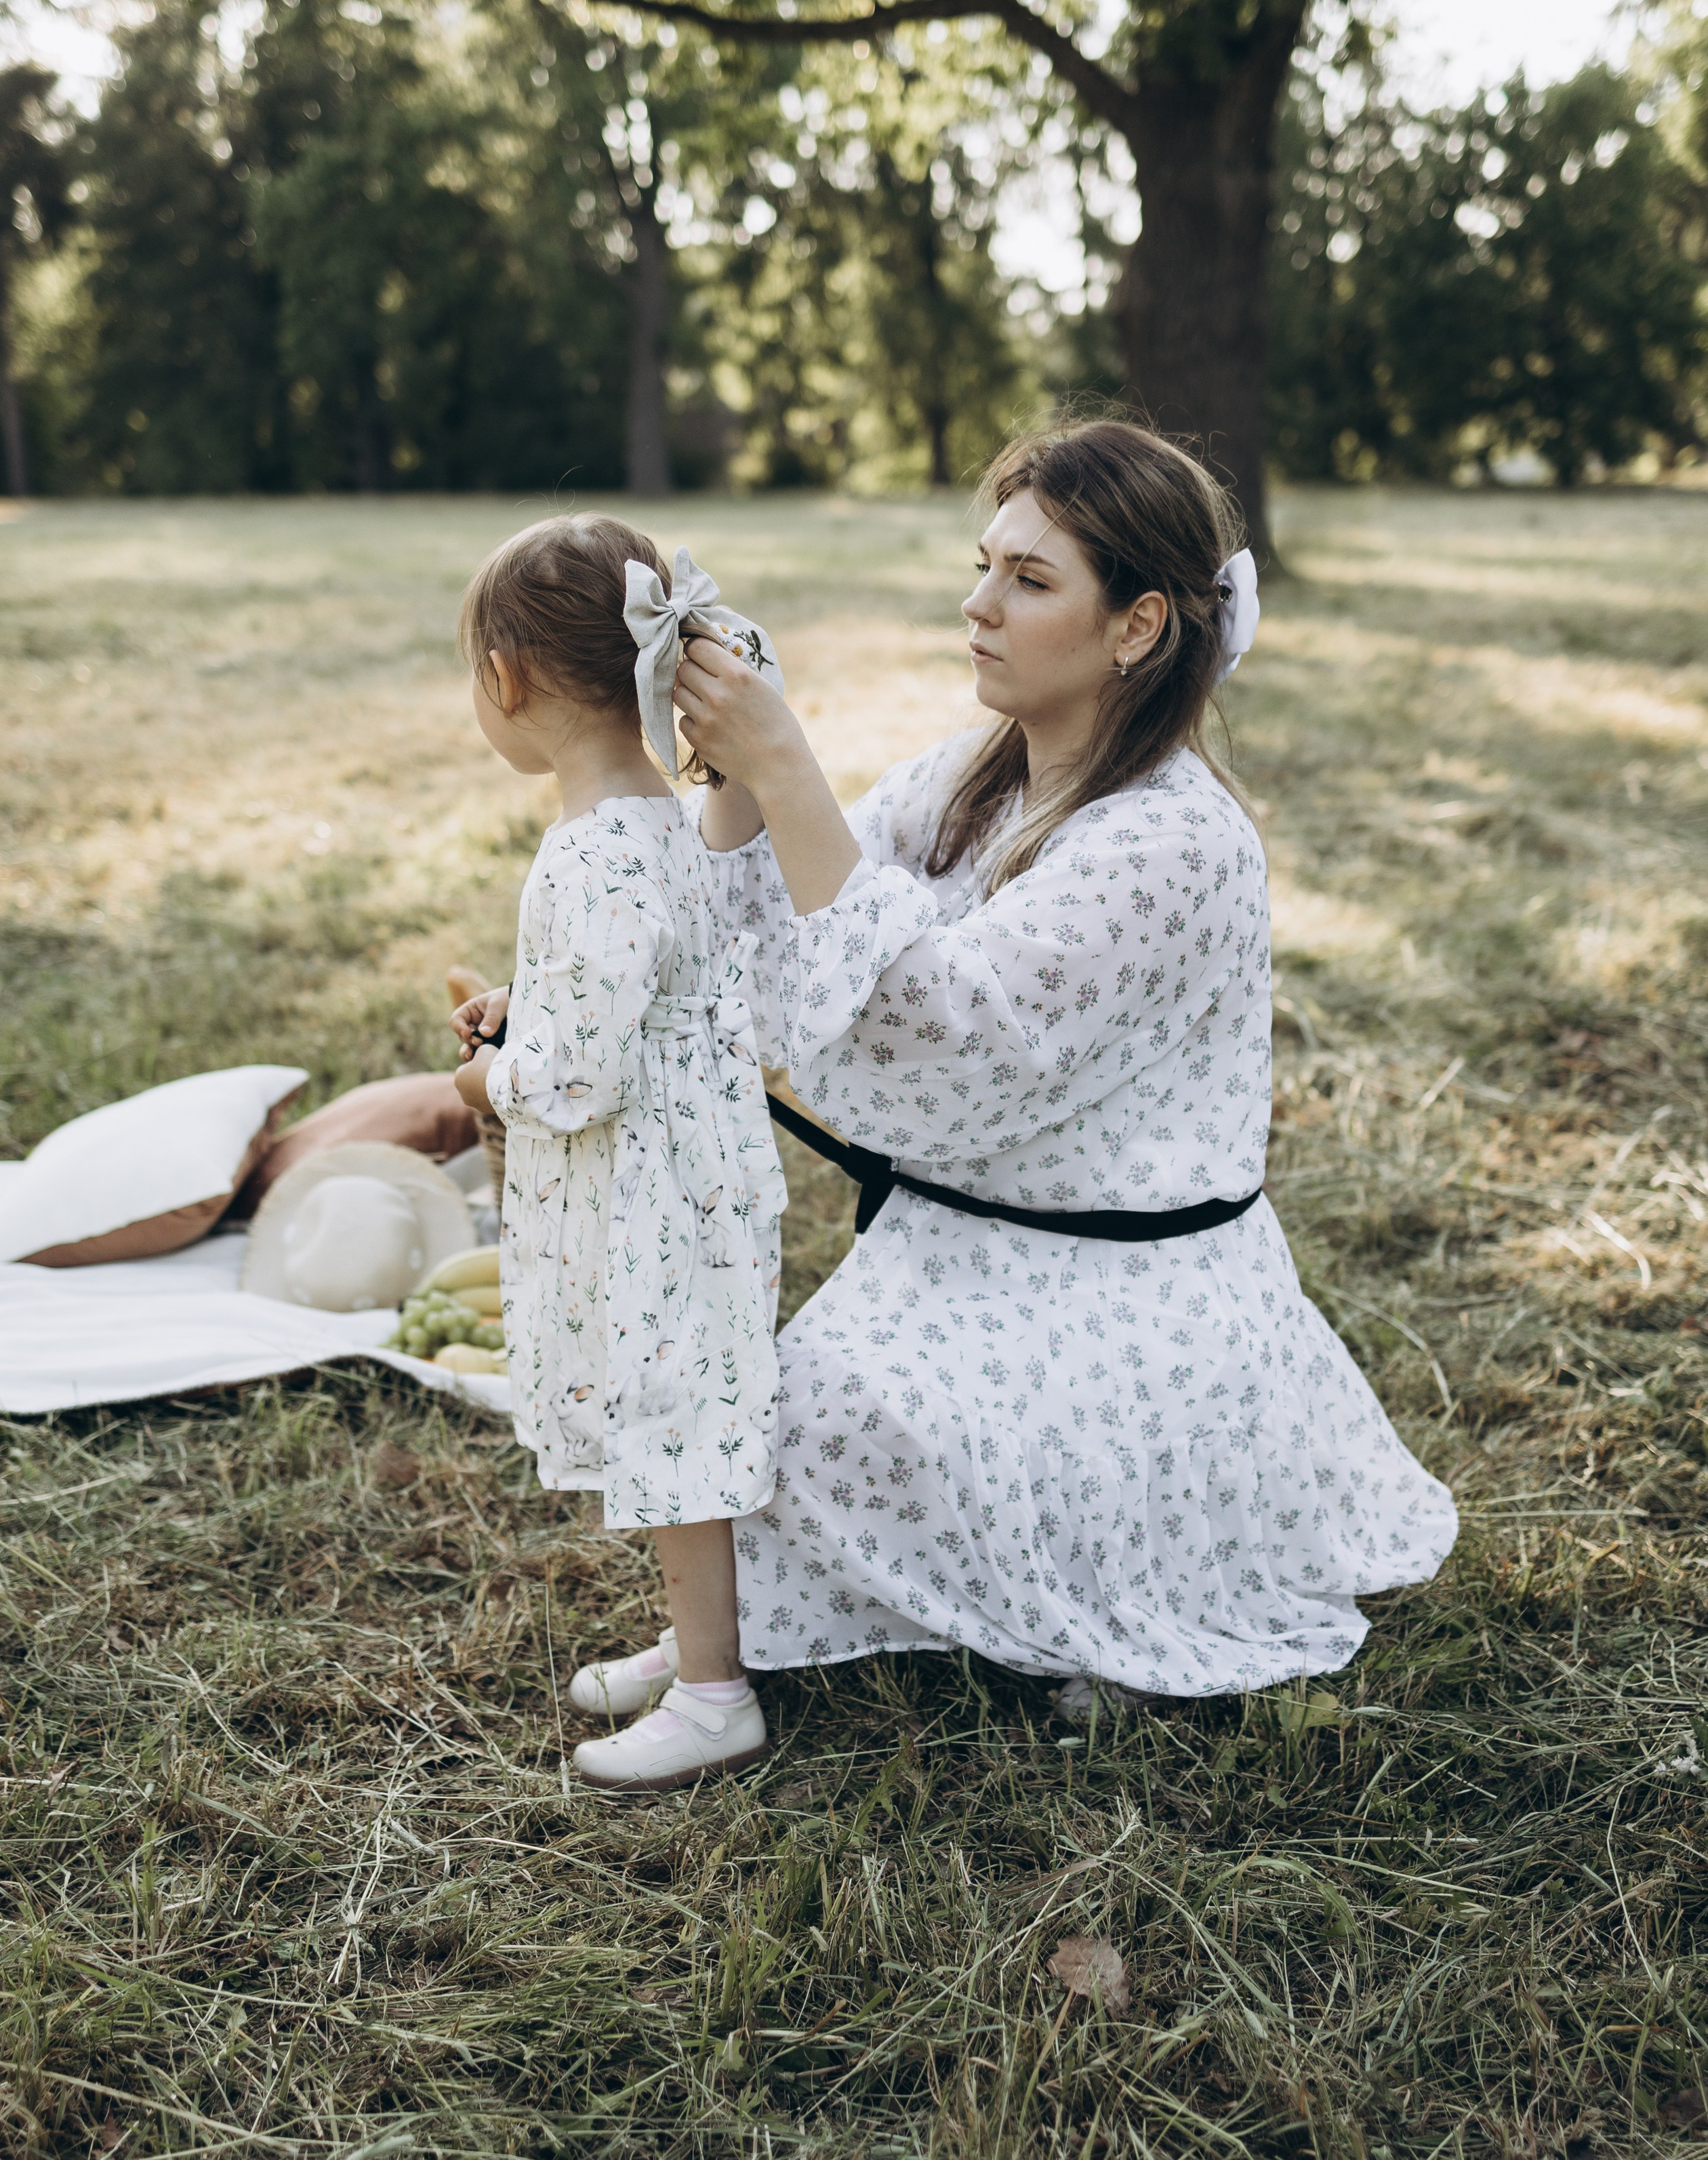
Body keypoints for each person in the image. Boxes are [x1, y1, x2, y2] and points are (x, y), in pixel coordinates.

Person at [650, 413, 1459, 1709]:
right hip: (963, 1254)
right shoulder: (978, 775)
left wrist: (787, 760)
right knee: (763, 1420)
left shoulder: (1175, 843)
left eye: (1029, 581)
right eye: (985, 564)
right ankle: (808, 1622)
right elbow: (790, 914)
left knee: (813, 1429)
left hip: (1125, 1296)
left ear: (1137, 626)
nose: (978, 605)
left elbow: (937, 1047)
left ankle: (1107, 1588)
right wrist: (737, 781)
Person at [449, 517, 789, 1790]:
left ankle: (715, 1695)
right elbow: (634, 991)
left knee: (673, 1424)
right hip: (690, 1174)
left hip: (651, 1192)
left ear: (506, 679)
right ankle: (700, 1641)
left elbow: (579, 1077)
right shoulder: (665, 817)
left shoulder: (592, 846)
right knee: (676, 1415)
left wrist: (493, 1075)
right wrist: (526, 1004)